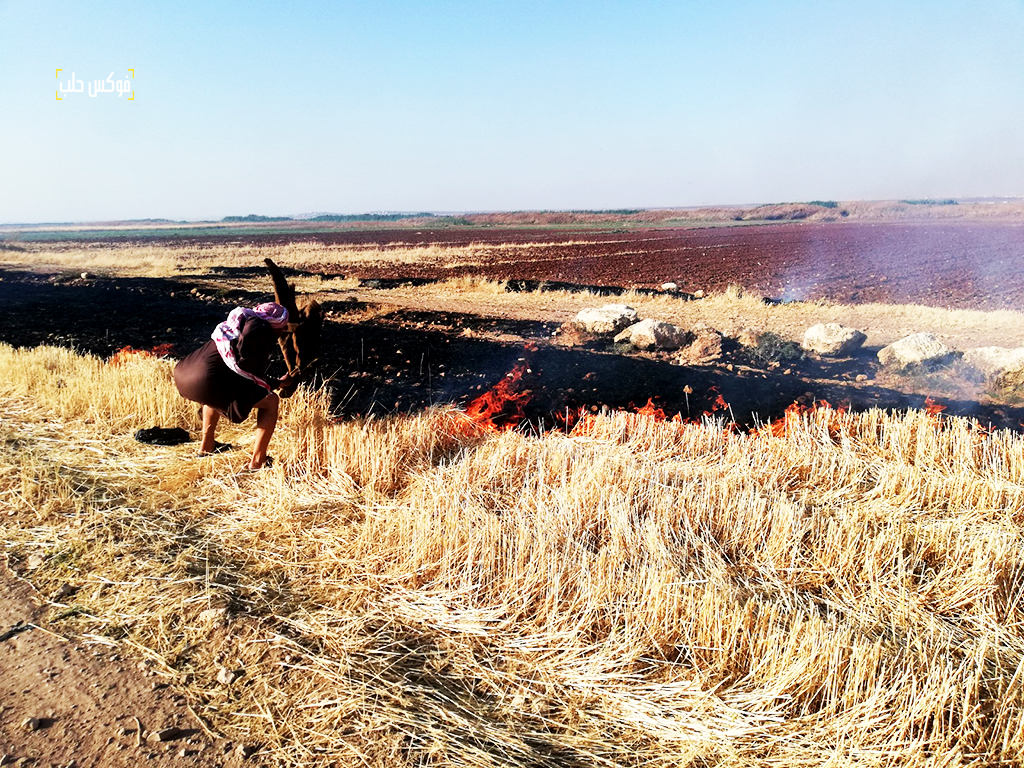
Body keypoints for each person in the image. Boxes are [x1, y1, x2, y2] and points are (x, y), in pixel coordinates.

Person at [173, 302, 297, 470]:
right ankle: (257, 462)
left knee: (215, 391)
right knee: (271, 401)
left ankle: (207, 446)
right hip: (207, 382)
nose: (283, 332)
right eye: (282, 328)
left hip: (184, 376)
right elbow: (251, 374)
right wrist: (280, 383)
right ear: (275, 326)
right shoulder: (260, 332)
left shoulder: (237, 325)